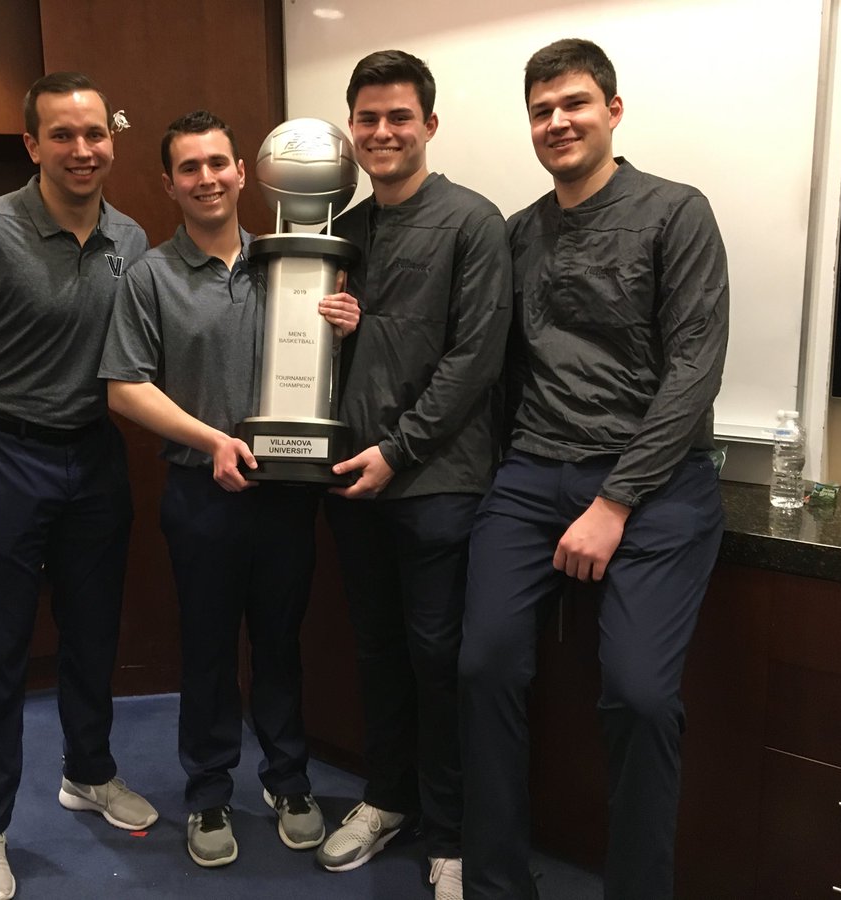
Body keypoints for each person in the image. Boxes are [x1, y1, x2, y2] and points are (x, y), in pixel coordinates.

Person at [459, 38, 729, 899]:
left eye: (573, 103)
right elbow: (478, 356)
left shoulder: (676, 212)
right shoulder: (516, 233)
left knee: (641, 698)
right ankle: (497, 882)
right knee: (484, 666)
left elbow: (695, 368)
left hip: (654, 486)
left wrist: (614, 501)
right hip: (533, 474)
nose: (556, 122)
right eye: (540, 110)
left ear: (612, 110)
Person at [0, 71, 158, 900]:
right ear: (32, 144)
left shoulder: (132, 236)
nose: (82, 150)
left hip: (94, 457)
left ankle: (88, 772)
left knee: (92, 636)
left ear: (111, 139)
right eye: (63, 136)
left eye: (95, 134)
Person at [100, 110, 359, 869]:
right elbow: (124, 387)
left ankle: (288, 779)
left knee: (281, 642)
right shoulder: (150, 275)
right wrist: (210, 440)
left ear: (245, 172)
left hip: (288, 493)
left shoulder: (294, 261)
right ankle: (208, 791)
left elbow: (331, 380)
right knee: (209, 649)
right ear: (170, 184)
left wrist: (348, 328)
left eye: (219, 163)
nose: (207, 178)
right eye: (190, 168)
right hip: (201, 494)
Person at [313, 50, 513, 900]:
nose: (383, 132)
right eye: (368, 119)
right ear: (352, 130)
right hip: (350, 484)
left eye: (399, 117)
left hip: (439, 486)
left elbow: (476, 358)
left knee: (440, 660)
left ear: (429, 125)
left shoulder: (474, 221)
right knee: (377, 651)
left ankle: (451, 833)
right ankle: (386, 798)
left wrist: (399, 450)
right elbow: (330, 359)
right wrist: (336, 329)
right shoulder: (341, 235)